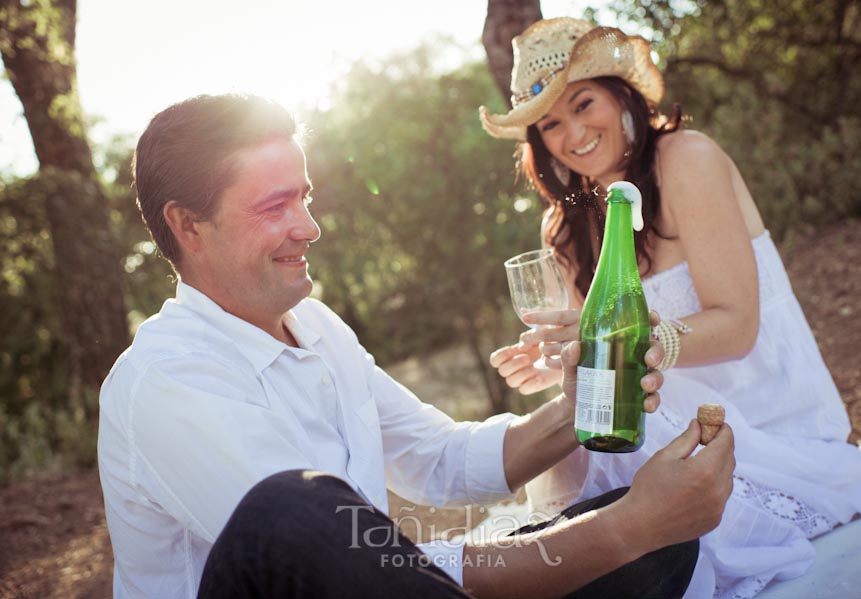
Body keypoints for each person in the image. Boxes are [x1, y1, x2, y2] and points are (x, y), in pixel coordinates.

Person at [97, 93, 735, 599]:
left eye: (306, 197)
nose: (309, 227)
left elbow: (440, 460)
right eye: (274, 207)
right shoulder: (166, 380)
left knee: (663, 543)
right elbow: (347, 563)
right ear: (187, 224)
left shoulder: (317, 326)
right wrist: (625, 532)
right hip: (359, 584)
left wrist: (582, 408)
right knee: (291, 507)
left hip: (394, 581)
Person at [479, 17, 861, 599]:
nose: (573, 133)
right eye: (550, 125)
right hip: (655, 430)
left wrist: (643, 343)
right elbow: (605, 366)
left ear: (621, 95)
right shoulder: (563, 229)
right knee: (581, 467)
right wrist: (558, 364)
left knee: (644, 510)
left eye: (583, 103)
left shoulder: (685, 159)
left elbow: (737, 326)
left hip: (765, 431)